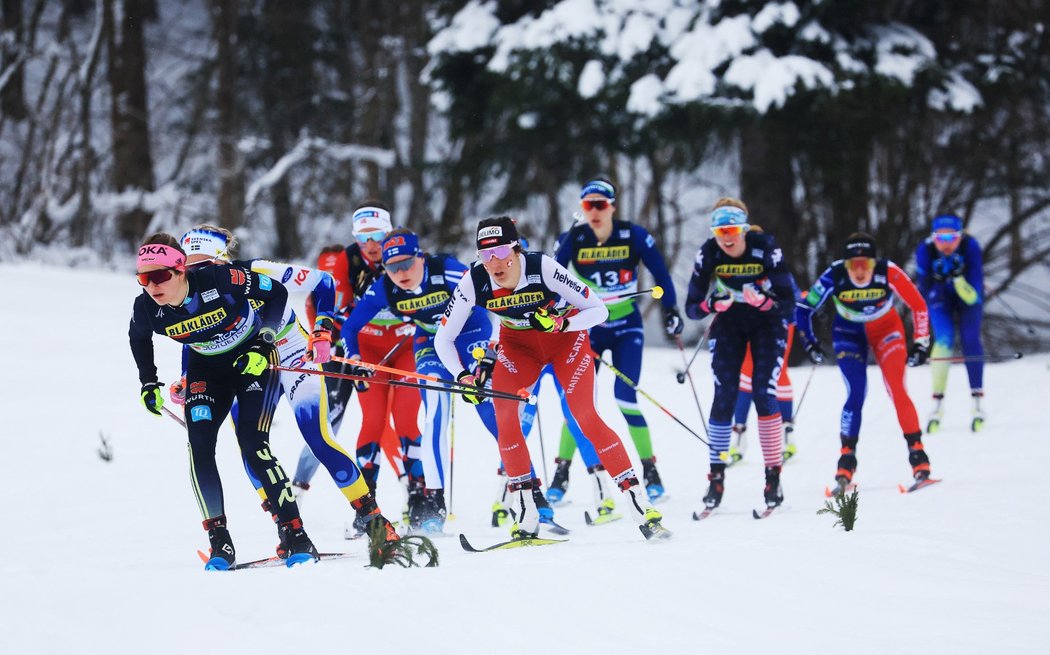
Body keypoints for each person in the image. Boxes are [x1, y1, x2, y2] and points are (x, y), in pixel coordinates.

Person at [435, 216, 670, 541]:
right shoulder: (474, 281)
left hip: (565, 344)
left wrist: (561, 325)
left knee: (584, 415)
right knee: (505, 419)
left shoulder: (542, 268)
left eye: (500, 252)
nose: (494, 263)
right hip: (518, 348)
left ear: (515, 248)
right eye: (484, 255)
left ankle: (641, 506)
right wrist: (462, 375)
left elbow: (597, 310)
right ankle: (527, 512)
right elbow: (442, 339)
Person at [169, 225, 400, 553]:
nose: (195, 274)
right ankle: (287, 528)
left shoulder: (255, 271)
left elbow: (324, 282)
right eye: (188, 267)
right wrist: (186, 377)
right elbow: (194, 336)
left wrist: (322, 330)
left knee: (317, 437)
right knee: (251, 448)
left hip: (290, 355)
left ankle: (374, 520)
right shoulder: (185, 289)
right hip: (243, 365)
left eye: (204, 265)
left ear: (223, 261)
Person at [340, 227, 549, 533]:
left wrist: (491, 351)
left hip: (472, 334)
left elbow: (492, 299)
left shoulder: (448, 271)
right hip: (431, 343)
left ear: (420, 257)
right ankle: (433, 500)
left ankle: (532, 490)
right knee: (435, 414)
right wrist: (354, 357)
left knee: (495, 416)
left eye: (406, 263)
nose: (401, 273)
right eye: (392, 267)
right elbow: (350, 328)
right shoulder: (385, 288)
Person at [128, 233, 317, 569]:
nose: (152, 285)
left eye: (160, 276)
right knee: (198, 444)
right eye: (144, 278)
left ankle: (295, 533)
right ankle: (220, 543)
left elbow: (277, 294)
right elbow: (138, 337)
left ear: (181, 269)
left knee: (252, 442)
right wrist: (148, 382)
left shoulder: (217, 277)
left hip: (251, 360)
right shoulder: (147, 309)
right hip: (207, 369)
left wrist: (264, 344)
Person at [289, 201, 423, 525]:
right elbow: (329, 307)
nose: (373, 245)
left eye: (378, 236)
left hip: (400, 345)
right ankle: (298, 494)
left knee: (399, 421)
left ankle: (414, 493)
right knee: (332, 422)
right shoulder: (347, 261)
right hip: (348, 349)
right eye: (365, 239)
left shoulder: (402, 252)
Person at [550, 176, 682, 503]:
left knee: (625, 397)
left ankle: (650, 472)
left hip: (626, 325)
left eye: (600, 205)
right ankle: (561, 474)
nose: (594, 211)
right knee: (578, 403)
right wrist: (551, 315)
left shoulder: (633, 234)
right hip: (589, 328)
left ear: (611, 207)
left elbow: (661, 274)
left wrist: (670, 310)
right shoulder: (574, 237)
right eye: (588, 205)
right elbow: (551, 279)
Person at [796, 232, 934, 496]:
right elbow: (804, 308)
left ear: (874, 262)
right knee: (856, 394)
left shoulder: (888, 271)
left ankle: (919, 460)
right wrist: (810, 342)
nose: (859, 271)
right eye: (853, 265)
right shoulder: (834, 274)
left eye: (866, 264)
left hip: (886, 331)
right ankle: (846, 464)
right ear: (845, 264)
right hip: (848, 334)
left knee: (896, 388)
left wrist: (921, 343)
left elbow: (918, 305)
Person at [684, 199, 795, 512]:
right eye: (720, 231)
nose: (726, 237)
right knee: (725, 396)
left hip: (767, 324)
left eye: (732, 230)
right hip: (729, 323)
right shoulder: (709, 252)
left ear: (744, 230)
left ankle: (773, 477)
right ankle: (716, 476)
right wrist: (710, 305)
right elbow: (692, 308)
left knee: (763, 393)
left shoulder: (765, 248)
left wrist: (764, 302)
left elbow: (788, 302)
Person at [728, 225, 801, 464]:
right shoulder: (735, 265)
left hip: (779, 325)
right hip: (748, 326)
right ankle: (739, 435)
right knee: (745, 375)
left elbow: (792, 296)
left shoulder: (772, 261)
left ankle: (785, 433)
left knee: (777, 374)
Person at [914, 213, 986, 431]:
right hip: (940, 298)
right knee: (944, 339)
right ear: (933, 238)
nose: (945, 244)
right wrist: (937, 283)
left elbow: (973, 296)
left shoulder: (970, 247)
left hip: (966, 296)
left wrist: (958, 278)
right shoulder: (925, 250)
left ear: (960, 236)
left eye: (951, 238)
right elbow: (921, 294)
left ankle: (977, 402)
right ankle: (937, 404)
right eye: (940, 239)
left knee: (969, 339)